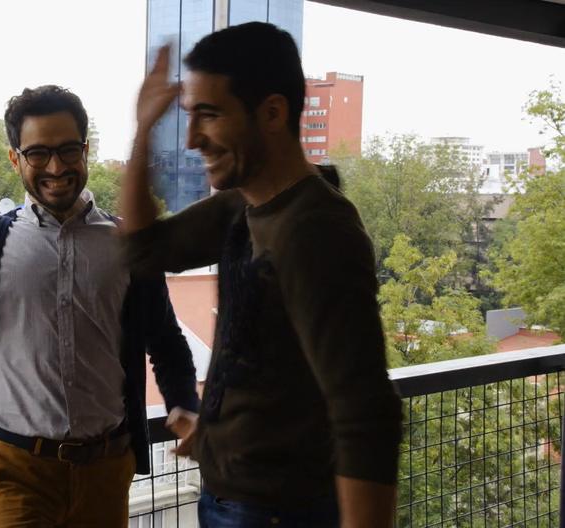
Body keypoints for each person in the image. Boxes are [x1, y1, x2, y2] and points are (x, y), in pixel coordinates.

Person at [121, 23, 403, 527]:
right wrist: (143, 128)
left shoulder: (316, 230)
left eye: (209, 115)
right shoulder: (242, 207)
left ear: (272, 112)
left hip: (281, 513)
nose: (192, 139)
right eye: (190, 117)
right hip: (231, 499)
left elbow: (365, 414)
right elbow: (144, 251)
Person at [0, 86, 201, 527]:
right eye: (37, 153)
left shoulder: (127, 244)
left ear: (86, 151)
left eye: (68, 150)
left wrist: (184, 404)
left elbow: (166, 340)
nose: (56, 167)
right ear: (15, 159)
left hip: (106, 468)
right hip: (16, 470)